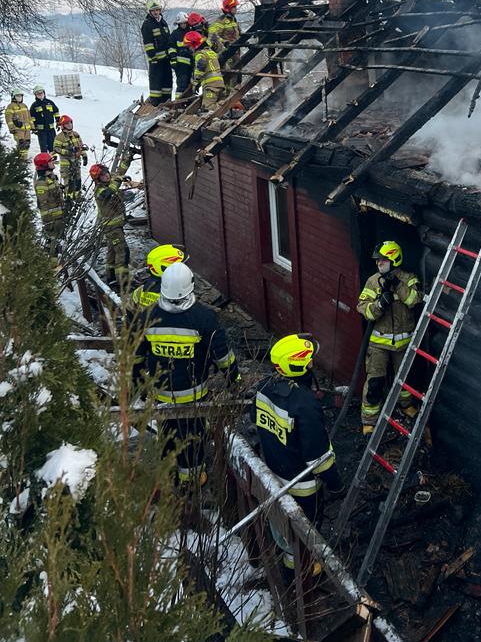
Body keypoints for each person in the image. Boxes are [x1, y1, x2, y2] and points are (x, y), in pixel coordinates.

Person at [135, 261, 240, 486]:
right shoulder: (203, 318)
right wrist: (234, 379)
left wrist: (139, 383)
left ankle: (170, 476)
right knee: (192, 440)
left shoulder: (147, 317)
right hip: (194, 396)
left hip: (161, 394)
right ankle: (192, 485)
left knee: (168, 435)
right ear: (190, 286)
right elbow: (222, 356)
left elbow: (136, 355)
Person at [253, 334, 344, 571]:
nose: (312, 363)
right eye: (308, 360)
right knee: (304, 533)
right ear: (297, 366)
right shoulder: (304, 404)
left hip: (273, 473)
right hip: (302, 486)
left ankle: (291, 562)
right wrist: (336, 484)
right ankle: (301, 573)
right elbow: (318, 458)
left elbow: (258, 423)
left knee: (282, 528)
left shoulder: (263, 388)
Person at [356, 240, 423, 435]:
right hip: (379, 344)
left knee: (406, 380)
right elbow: (363, 308)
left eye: (383, 260)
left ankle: (406, 405)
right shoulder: (373, 281)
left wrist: (397, 285)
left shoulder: (409, 278)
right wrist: (379, 305)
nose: (379, 263)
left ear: (394, 259)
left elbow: (414, 300)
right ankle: (369, 421)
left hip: (404, 343)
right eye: (378, 260)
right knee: (375, 382)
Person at [90, 154, 135, 288]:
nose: (107, 176)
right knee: (122, 252)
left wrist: (127, 159)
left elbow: (119, 172)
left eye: (107, 173)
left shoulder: (109, 182)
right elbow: (111, 190)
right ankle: (123, 283)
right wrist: (119, 180)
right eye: (103, 175)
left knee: (112, 252)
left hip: (114, 228)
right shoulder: (100, 191)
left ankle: (111, 279)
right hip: (112, 229)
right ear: (98, 179)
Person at [130, 243, 186, 313]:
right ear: (165, 269)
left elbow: (129, 313)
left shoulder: (138, 292)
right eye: (181, 267)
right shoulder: (177, 298)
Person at [141, 0, 173, 105]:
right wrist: (152, 56)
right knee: (156, 83)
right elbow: (148, 42)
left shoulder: (163, 23)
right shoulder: (147, 24)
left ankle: (167, 102)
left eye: (157, 10)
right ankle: (155, 104)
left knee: (167, 81)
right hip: (156, 60)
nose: (155, 12)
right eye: (153, 10)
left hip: (166, 59)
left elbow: (168, 39)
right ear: (150, 12)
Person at [184, 31, 225, 110]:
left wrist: (195, 82)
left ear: (194, 44)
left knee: (207, 107)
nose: (189, 49)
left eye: (189, 46)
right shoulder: (211, 52)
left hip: (211, 85)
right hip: (219, 83)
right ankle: (227, 108)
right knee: (218, 102)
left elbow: (201, 67)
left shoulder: (199, 54)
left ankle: (227, 108)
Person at [33, 152, 65, 253]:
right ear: (44, 165)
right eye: (50, 161)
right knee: (53, 247)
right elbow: (44, 203)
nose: (53, 162)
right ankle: (51, 262)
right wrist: (50, 223)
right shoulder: (41, 183)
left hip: (58, 218)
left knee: (58, 246)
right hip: (51, 220)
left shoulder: (51, 178)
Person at [208, 0, 241, 88]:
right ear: (229, 8)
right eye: (234, 7)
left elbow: (238, 34)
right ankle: (228, 94)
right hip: (227, 53)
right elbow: (212, 36)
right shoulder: (220, 21)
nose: (236, 9)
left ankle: (235, 92)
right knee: (228, 75)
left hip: (236, 53)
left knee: (237, 73)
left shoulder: (233, 20)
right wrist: (225, 43)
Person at [53, 115, 87, 199]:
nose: (69, 125)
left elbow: (81, 146)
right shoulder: (59, 137)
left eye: (70, 123)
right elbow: (56, 149)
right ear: (62, 126)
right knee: (69, 183)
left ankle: (77, 198)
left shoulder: (76, 134)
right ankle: (68, 199)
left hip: (76, 163)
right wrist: (68, 151)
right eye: (67, 124)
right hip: (66, 165)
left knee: (78, 181)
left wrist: (84, 155)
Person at [169, 12, 193, 99]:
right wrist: (173, 60)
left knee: (191, 84)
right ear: (178, 24)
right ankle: (178, 102)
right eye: (181, 23)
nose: (184, 25)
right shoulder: (175, 34)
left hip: (191, 63)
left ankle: (189, 101)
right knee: (182, 84)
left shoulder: (192, 32)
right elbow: (171, 48)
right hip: (180, 65)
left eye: (185, 23)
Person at [30, 86, 60, 153]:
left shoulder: (50, 102)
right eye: (38, 93)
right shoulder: (34, 105)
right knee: (43, 147)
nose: (40, 94)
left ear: (44, 93)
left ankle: (53, 158)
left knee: (53, 146)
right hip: (41, 131)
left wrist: (58, 122)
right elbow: (32, 117)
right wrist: (34, 127)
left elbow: (56, 112)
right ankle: (45, 158)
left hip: (51, 130)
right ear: (35, 95)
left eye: (41, 92)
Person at [4, 90, 32, 160]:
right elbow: (8, 118)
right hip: (18, 130)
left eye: (20, 96)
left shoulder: (24, 105)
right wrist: (11, 128)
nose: (19, 97)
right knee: (21, 144)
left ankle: (24, 159)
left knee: (27, 144)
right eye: (17, 96)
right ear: (13, 97)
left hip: (27, 130)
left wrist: (33, 126)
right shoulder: (10, 106)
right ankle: (20, 160)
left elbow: (29, 117)